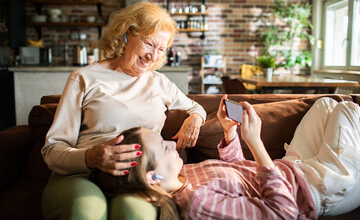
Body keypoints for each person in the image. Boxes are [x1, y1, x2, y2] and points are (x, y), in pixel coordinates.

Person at [41, 2, 206, 220]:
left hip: (135, 179)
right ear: (127, 34)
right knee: (85, 211)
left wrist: (195, 118)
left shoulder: (159, 82)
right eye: (149, 44)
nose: (153, 57)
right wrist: (90, 157)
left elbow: (196, 107)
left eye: (161, 50)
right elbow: (52, 150)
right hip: (83, 174)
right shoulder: (84, 78)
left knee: (134, 213)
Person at [91, 95, 360, 219]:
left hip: (293, 167)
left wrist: (230, 134)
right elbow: (283, 212)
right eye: (162, 148)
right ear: (154, 177)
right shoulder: (198, 205)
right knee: (347, 108)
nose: (172, 145)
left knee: (326, 103)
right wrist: (254, 143)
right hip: (319, 190)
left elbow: (238, 174)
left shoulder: (183, 174)